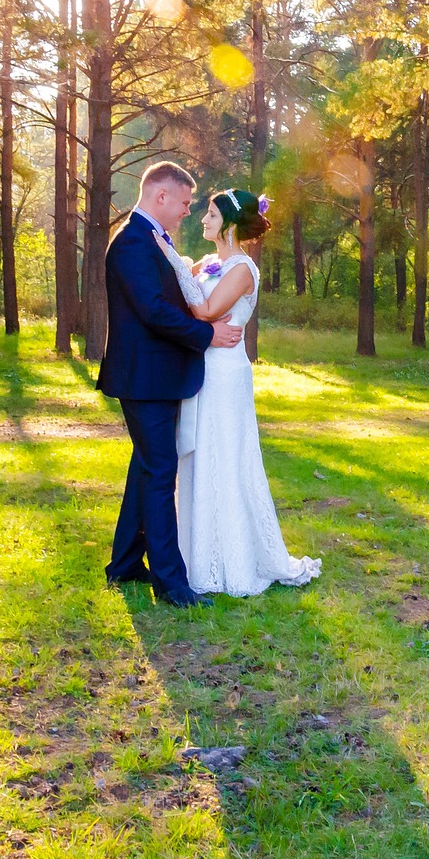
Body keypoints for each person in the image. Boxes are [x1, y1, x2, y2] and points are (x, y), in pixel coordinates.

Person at [96, 162, 245, 607]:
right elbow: (154, 310)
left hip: (156, 375)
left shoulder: (154, 240)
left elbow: (172, 293)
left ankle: (124, 564)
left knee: (146, 468)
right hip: (145, 377)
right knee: (162, 474)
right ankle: (172, 584)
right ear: (160, 197)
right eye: (183, 203)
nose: (186, 212)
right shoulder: (131, 243)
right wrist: (207, 335)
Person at [173, 188, 321, 596]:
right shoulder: (212, 264)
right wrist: (188, 268)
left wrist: (175, 262)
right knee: (199, 455)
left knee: (225, 457)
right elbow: (194, 300)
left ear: (231, 225)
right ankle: (196, 556)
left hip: (224, 375)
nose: (203, 220)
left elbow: (204, 311)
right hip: (202, 369)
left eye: (211, 215)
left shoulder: (241, 269)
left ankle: (234, 561)